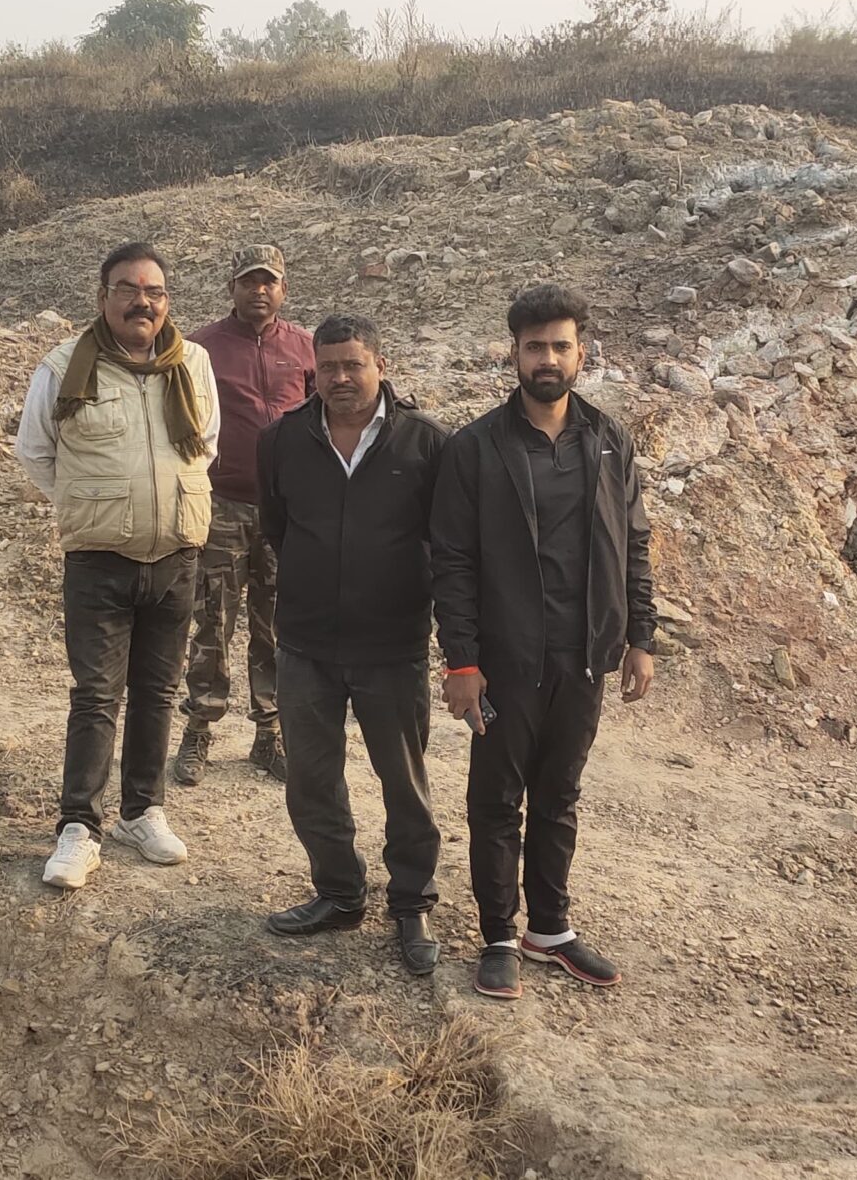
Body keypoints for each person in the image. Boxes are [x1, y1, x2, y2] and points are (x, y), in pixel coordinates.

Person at [430, 283, 657, 1002]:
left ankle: (550, 930)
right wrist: (462, 661)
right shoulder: (475, 448)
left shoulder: (609, 440)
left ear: (581, 353)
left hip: (583, 656)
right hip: (505, 660)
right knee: (496, 799)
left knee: (559, 794)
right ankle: (499, 934)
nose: (548, 359)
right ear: (515, 354)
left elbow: (635, 543)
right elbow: (452, 562)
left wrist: (642, 637)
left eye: (561, 346)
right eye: (535, 347)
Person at [14, 241, 221, 890]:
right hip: (99, 560)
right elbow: (36, 452)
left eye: (154, 291)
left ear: (167, 301)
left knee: (158, 692)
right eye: (128, 289)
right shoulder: (62, 367)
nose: (142, 302)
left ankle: (141, 811)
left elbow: (206, 447)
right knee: (97, 696)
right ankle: (79, 826)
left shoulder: (194, 364)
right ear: (103, 297)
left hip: (177, 556)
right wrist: (95, 504)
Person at [256, 314, 450, 975]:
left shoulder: (427, 442)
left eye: (353, 365)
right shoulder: (282, 440)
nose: (340, 377)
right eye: (328, 366)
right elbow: (278, 529)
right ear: (314, 370)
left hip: (392, 647)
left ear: (380, 366)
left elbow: (448, 544)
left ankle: (412, 904)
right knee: (311, 781)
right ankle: (339, 894)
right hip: (305, 645)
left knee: (404, 784)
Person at [173, 245, 313, 786]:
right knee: (213, 620)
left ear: (284, 289)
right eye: (249, 281)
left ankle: (269, 735)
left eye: (269, 281)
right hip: (221, 505)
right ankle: (199, 730)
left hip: (285, 511)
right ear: (231, 287)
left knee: (276, 624)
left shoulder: (304, 348)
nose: (259, 290)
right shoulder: (199, 348)